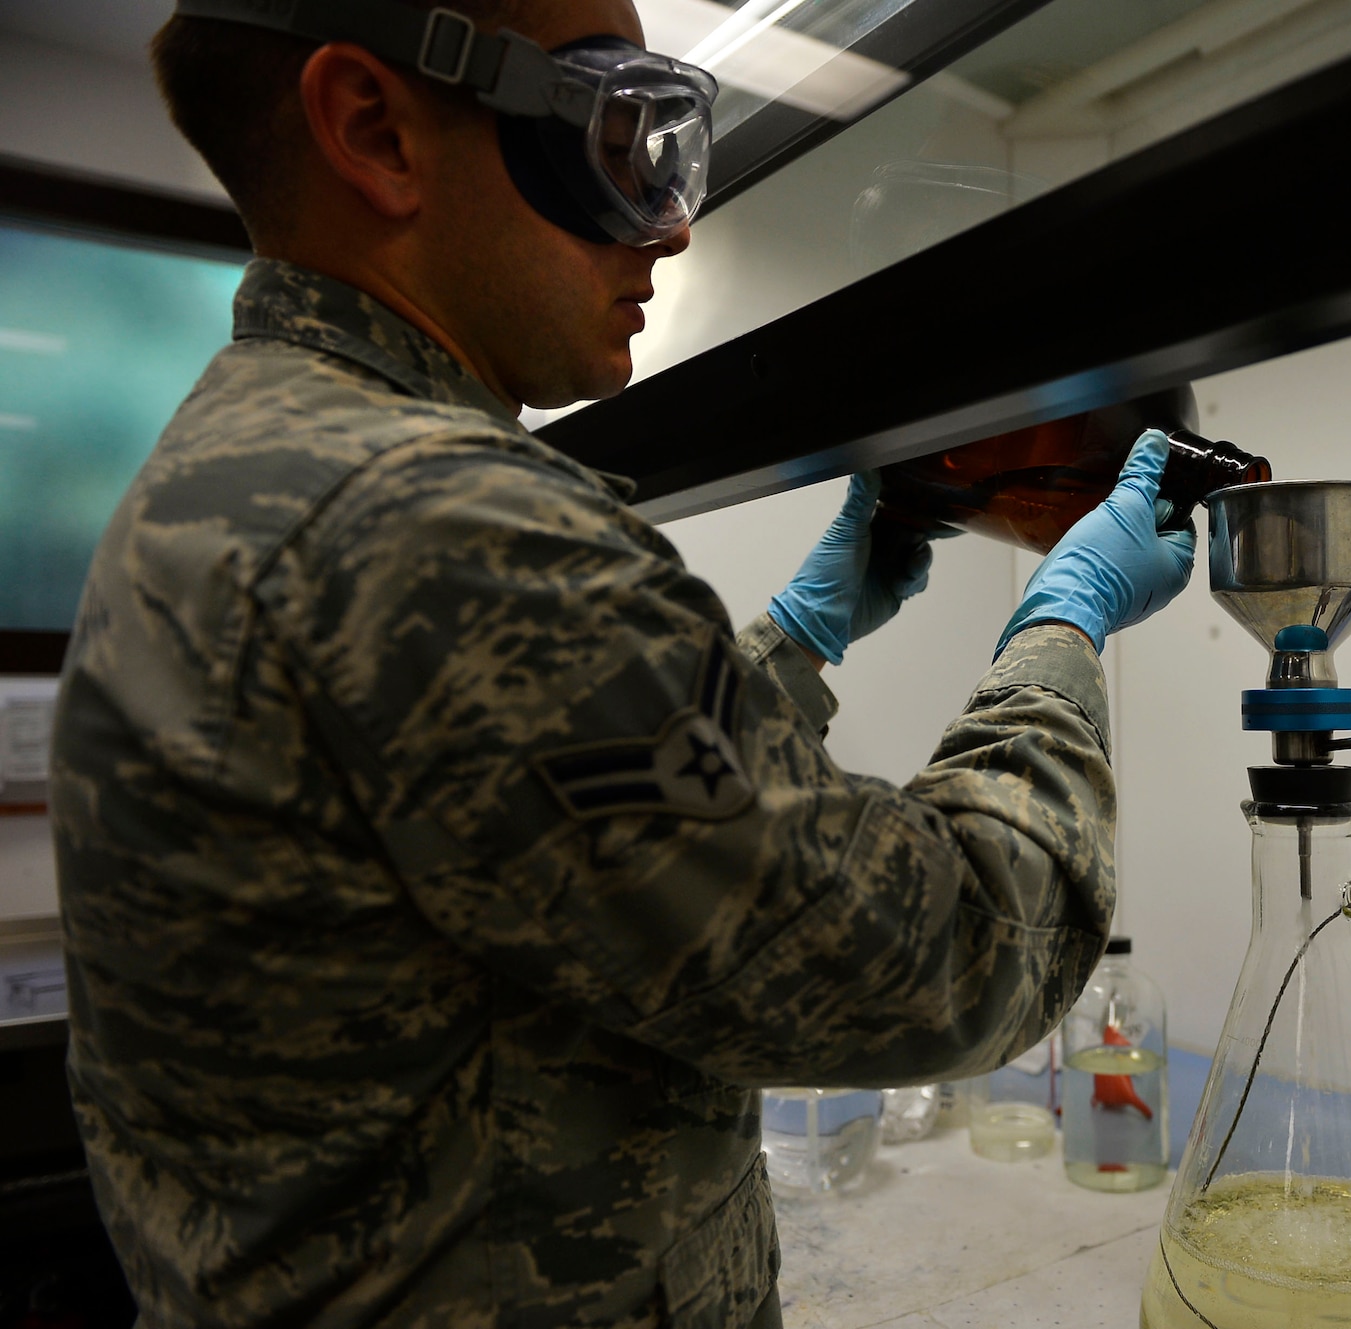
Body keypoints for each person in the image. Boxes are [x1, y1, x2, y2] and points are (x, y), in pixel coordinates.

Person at [49, 1, 1197, 1326]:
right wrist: (1062, 627)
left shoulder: (240, 467)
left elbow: (549, 834)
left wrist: (795, 643)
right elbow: (950, 952)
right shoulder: (449, 522)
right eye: (613, 130)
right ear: (375, 131)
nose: (669, 223)